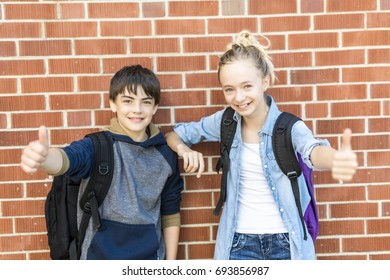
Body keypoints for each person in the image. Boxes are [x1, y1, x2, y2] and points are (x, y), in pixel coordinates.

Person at [165, 31, 358, 260]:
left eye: (247, 86)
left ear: (265, 81)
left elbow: (312, 151)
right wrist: (184, 149)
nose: (238, 97)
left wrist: (336, 160)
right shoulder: (225, 122)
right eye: (229, 89)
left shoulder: (288, 127)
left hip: (286, 244)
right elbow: (174, 136)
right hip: (238, 243)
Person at [21, 65, 183, 260]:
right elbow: (67, 159)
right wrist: (46, 158)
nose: (137, 110)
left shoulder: (166, 155)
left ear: (155, 107)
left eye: (146, 102)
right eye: (128, 101)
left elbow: (170, 211)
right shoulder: (97, 146)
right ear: (113, 104)